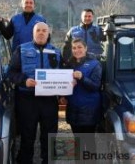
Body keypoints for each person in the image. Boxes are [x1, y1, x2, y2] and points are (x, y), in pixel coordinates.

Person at [7, 22, 62, 164]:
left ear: (48, 33)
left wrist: (67, 86)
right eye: (38, 30)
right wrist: (24, 81)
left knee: (49, 135)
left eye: (44, 30)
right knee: (27, 135)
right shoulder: (21, 50)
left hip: (49, 101)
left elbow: (63, 75)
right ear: (33, 33)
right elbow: (11, 73)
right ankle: (25, 161)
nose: (41, 33)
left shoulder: (56, 52)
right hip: (27, 99)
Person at [62, 38, 102, 155]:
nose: (77, 50)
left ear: (86, 48)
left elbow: (95, 86)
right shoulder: (68, 64)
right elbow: (63, 84)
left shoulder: (95, 64)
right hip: (74, 109)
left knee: (89, 142)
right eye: (74, 48)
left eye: (79, 47)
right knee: (77, 142)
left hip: (89, 109)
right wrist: (63, 96)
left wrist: (82, 78)